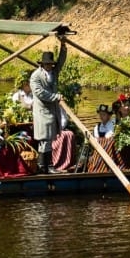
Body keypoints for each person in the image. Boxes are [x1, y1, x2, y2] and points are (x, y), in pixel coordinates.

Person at [29, 45, 76, 173]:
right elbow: (40, 93)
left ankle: (46, 166)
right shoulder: (36, 76)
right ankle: (45, 166)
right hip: (42, 112)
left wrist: (64, 47)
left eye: (50, 64)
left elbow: (61, 62)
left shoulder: (54, 73)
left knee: (49, 139)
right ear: (42, 64)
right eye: (47, 64)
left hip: (52, 111)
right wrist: (56, 96)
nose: (49, 66)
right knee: (45, 140)